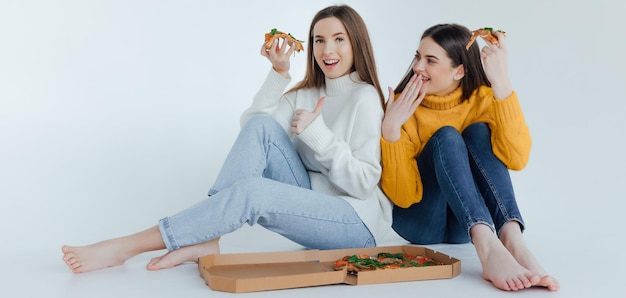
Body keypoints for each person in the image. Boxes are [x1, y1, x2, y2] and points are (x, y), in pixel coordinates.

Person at [62, 4, 395, 273]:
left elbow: (364, 184)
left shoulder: (364, 98)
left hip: (355, 222)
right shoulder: (305, 94)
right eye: (319, 40)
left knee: (254, 193)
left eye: (339, 39)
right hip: (311, 201)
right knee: (262, 128)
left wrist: (318, 135)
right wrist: (279, 75)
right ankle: (208, 237)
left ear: (355, 44)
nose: (328, 49)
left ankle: (127, 246)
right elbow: (252, 131)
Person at [379, 23, 559, 292]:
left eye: (430, 60)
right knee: (448, 136)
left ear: (459, 71)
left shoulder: (483, 99)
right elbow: (403, 197)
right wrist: (391, 130)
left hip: (466, 225)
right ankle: (487, 247)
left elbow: (517, 158)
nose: (418, 67)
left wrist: (502, 84)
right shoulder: (403, 106)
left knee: (477, 130)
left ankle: (512, 238)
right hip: (419, 224)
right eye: (418, 57)